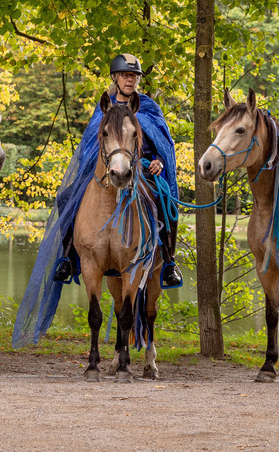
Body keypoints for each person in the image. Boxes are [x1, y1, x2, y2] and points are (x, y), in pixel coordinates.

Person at [52, 54, 183, 288]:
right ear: (115, 77)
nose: (130, 80)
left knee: (167, 200)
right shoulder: (104, 107)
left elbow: (164, 143)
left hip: (142, 169)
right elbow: (90, 143)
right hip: (105, 168)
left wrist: (160, 161)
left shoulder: (148, 107)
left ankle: (169, 261)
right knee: (65, 197)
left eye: (134, 76)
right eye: (125, 75)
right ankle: (68, 258)